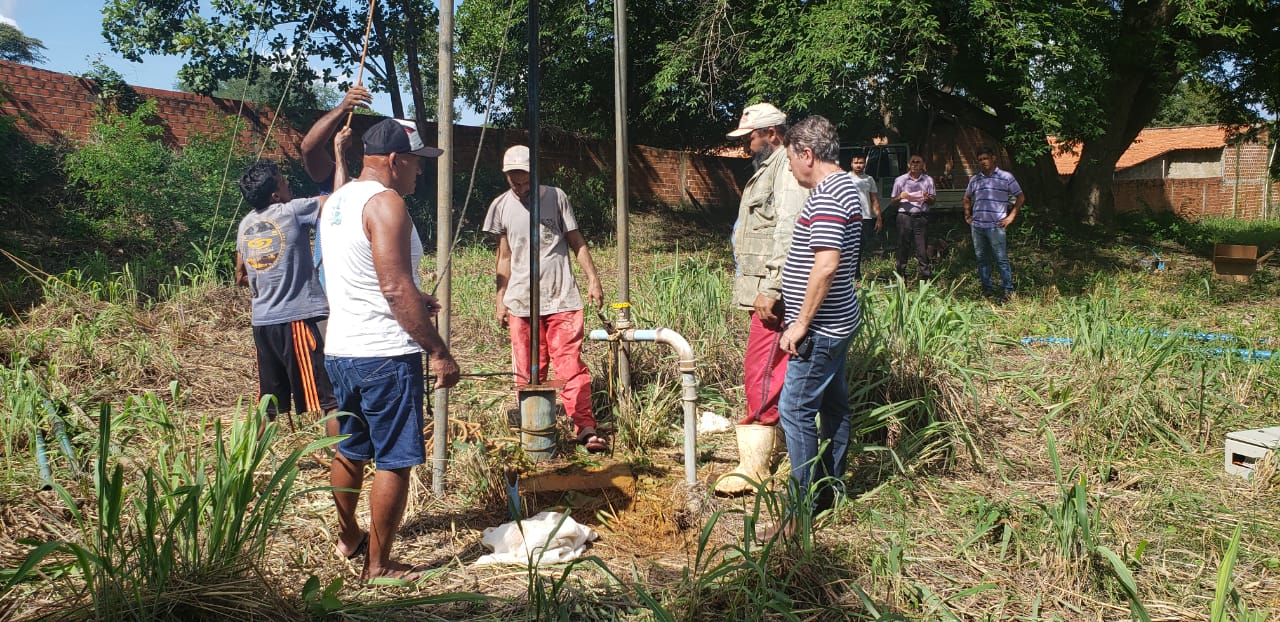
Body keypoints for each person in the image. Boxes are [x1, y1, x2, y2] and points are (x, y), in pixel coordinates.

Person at [319, 117, 460, 581]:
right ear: (396, 160)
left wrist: (416, 299)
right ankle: (378, 566)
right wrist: (437, 350)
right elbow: (394, 289)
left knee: (350, 448)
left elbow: (358, 275)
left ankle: (348, 537)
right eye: (418, 164)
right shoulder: (387, 204)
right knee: (396, 459)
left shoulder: (337, 202)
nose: (421, 172)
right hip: (384, 352)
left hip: (341, 350)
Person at [483, 145, 608, 453]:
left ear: (534, 174)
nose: (520, 187)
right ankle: (534, 430)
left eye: (524, 181)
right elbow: (504, 257)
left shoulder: (556, 197)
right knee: (526, 371)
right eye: (514, 181)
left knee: (569, 366)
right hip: (521, 302)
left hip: (561, 296)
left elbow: (575, 240)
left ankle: (585, 427)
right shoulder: (500, 206)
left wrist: (593, 279)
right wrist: (500, 299)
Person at [715, 102, 809, 497]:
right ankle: (772, 450)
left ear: (771, 134)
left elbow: (787, 230)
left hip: (776, 294)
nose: (747, 146)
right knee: (768, 369)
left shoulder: (785, 170)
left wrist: (772, 287)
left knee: (763, 371)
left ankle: (755, 466)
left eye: (751, 138)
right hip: (764, 288)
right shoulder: (770, 168)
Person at [776, 115, 863, 522]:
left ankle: (801, 510)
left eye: (791, 159)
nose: (790, 168)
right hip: (840, 320)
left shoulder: (828, 196)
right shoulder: (847, 186)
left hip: (822, 328)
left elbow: (826, 266)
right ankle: (831, 489)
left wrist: (801, 323)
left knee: (794, 409)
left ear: (807, 154)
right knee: (833, 405)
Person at [233, 160, 338, 432]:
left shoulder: (245, 225)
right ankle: (345, 463)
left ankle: (244, 463)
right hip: (298, 321)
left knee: (268, 403)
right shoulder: (291, 211)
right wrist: (338, 152)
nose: (288, 184)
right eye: (283, 181)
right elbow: (336, 201)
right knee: (331, 400)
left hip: (263, 324)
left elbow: (240, 276)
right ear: (275, 195)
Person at [963, 146, 1025, 302]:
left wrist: (1010, 217)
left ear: (993, 158)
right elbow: (967, 198)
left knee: (1001, 259)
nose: (983, 162)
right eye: (980, 160)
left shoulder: (1005, 177)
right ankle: (987, 290)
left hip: (996, 226)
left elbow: (1020, 197)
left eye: (986, 158)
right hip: (977, 227)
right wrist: (968, 216)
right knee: (982, 259)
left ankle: (1008, 291)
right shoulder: (975, 179)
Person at [890, 155, 935, 280]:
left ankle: (926, 279)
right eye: (913, 162)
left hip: (921, 217)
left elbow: (933, 201)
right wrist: (900, 197)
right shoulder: (900, 180)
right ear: (908, 165)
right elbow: (893, 202)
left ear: (923, 165)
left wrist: (928, 198)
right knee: (902, 247)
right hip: (904, 217)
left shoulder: (928, 180)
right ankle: (901, 277)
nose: (915, 164)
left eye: (918, 162)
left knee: (922, 249)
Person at [848, 154, 882, 281]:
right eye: (856, 162)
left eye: (861, 162)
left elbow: (874, 199)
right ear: (851, 164)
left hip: (865, 218)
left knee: (860, 247)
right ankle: (850, 276)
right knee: (849, 248)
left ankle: (856, 275)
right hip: (849, 218)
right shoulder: (845, 178)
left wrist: (878, 217)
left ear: (865, 164)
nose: (858, 165)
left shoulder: (869, 179)